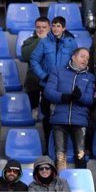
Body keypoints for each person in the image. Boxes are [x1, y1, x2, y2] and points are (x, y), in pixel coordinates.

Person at [29, 16, 77, 155]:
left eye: (58, 26)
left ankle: (62, 151)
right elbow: (34, 60)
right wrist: (44, 75)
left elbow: (75, 61)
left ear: (64, 28)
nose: (56, 28)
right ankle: (47, 149)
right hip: (47, 86)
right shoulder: (44, 42)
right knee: (47, 117)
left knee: (62, 118)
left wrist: (67, 78)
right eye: (54, 25)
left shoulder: (71, 43)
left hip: (63, 88)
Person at [44, 48, 95, 171]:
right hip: (59, 119)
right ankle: (61, 187)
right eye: (82, 56)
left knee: (80, 155)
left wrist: (79, 97)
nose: (85, 60)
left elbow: (90, 100)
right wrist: (65, 97)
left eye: (87, 58)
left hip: (80, 120)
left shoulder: (90, 77)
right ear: (73, 57)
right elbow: (48, 92)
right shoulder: (57, 71)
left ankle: (81, 187)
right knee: (60, 156)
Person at [20, 16, 50, 119]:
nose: (41, 29)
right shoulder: (30, 41)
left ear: (49, 28)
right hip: (33, 80)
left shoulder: (54, 41)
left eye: (44, 27)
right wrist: (40, 41)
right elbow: (25, 55)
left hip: (49, 80)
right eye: (38, 27)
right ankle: (34, 114)